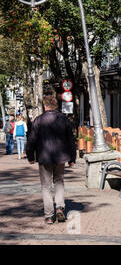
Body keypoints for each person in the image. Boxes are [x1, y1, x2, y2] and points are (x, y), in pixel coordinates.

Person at [26, 95, 76, 225]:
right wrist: (72, 158)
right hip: (61, 157)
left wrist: (30, 156)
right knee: (59, 182)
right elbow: (71, 140)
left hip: (44, 157)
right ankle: (60, 207)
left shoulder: (38, 120)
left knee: (46, 186)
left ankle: (49, 215)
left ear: (45, 106)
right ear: (56, 105)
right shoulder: (64, 120)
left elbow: (31, 140)